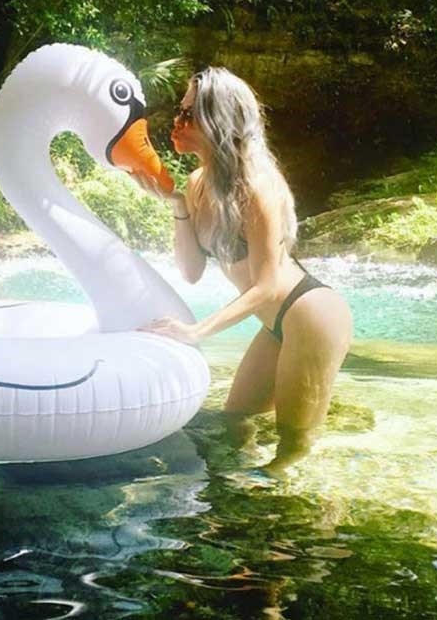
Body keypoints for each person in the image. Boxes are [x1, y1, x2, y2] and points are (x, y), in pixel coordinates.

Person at [134, 67, 353, 473]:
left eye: (188, 114)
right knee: (234, 423)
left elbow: (267, 286)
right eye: (180, 111)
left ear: (218, 121)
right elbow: (191, 271)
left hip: (311, 315)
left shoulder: (257, 185)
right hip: (275, 324)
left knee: (292, 447)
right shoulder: (197, 183)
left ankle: (294, 508)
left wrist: (196, 331)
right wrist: (177, 204)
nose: (176, 122)